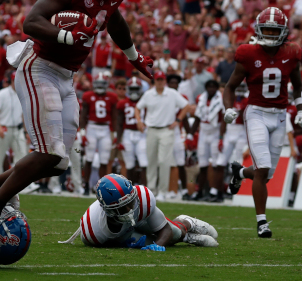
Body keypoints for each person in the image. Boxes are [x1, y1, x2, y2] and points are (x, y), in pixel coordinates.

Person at [0, 0, 155, 239]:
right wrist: (66, 36)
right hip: (39, 67)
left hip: (66, 75)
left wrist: (134, 57)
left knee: (58, 163)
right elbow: (31, 22)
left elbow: (114, 20)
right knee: (48, 151)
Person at [224, 8, 302, 238]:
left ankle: (239, 173)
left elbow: (298, 86)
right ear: (259, 30)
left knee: (266, 174)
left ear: (283, 32)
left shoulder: (292, 52)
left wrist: (300, 109)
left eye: (274, 30)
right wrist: (229, 108)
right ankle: (262, 222)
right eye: (266, 29)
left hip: (279, 115)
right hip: (257, 113)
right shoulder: (248, 53)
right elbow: (230, 86)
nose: (269, 34)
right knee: (262, 170)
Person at [64, 173, 218, 249]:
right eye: (122, 207)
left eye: (130, 202)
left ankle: (187, 224)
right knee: (144, 242)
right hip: (124, 235)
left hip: (141, 218)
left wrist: (156, 249)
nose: (130, 208)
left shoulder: (142, 199)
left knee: (173, 233)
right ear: (108, 210)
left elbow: (164, 230)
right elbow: (110, 244)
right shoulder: (92, 231)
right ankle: (188, 239)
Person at [136, 71, 189, 199]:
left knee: (164, 161)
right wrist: (139, 121)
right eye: (158, 80)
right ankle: (152, 190)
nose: (160, 82)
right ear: (155, 81)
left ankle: (163, 191)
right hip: (152, 129)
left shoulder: (172, 93)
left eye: (162, 79)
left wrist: (177, 120)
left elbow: (186, 106)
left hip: (167, 130)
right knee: (152, 160)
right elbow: (137, 108)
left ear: (165, 81)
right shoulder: (149, 94)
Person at [80, 73, 119, 193]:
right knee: (89, 157)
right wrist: (82, 130)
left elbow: (114, 116)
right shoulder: (88, 96)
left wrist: (115, 133)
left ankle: (101, 187)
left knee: (104, 160)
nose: (100, 86)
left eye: (103, 84)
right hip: (92, 127)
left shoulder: (112, 97)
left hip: (106, 129)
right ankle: (86, 184)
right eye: (98, 84)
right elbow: (84, 115)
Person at [194, 79, 224, 202]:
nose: (211, 89)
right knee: (203, 164)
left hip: (215, 132)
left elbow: (223, 120)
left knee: (216, 163)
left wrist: (221, 137)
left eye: (213, 87)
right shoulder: (201, 99)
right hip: (203, 132)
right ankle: (200, 191)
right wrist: (191, 134)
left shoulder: (220, 99)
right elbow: (197, 117)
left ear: (216, 88)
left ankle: (215, 191)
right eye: (209, 86)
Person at [0, 71, 26, 174]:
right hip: (4, 128)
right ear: (11, 81)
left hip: (17, 129)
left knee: (22, 155)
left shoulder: (23, 94)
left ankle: (20, 181)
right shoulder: (3, 93)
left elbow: (23, 114)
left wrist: (26, 131)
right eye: (15, 80)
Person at [117, 77, 147, 184]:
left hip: (142, 133)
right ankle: (132, 188)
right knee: (129, 164)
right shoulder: (122, 103)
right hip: (127, 134)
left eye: (136, 89)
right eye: (132, 89)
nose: (134, 92)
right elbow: (119, 123)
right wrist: (118, 140)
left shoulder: (145, 103)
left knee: (144, 162)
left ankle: (144, 188)